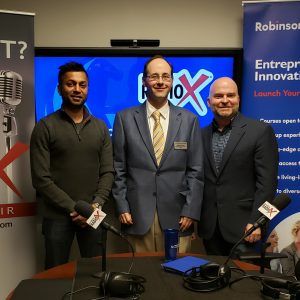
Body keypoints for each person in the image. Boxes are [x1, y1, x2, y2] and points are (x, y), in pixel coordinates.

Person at [112, 55, 203, 253]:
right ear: (144, 81)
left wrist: (190, 210)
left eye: (165, 76)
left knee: (176, 275)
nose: (160, 81)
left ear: (172, 81)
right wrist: (122, 206)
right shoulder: (124, 118)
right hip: (136, 215)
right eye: (154, 76)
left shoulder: (190, 120)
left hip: (178, 216)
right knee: (141, 275)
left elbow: (195, 171)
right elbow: (118, 167)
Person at [30, 62, 114, 269]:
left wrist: (95, 205)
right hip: (57, 216)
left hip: (93, 212)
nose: (77, 89)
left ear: (87, 89)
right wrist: (74, 209)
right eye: (71, 84)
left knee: (95, 272)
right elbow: (41, 179)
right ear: (60, 89)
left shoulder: (101, 127)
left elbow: (108, 171)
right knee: (55, 275)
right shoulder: (45, 127)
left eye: (82, 85)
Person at [198, 77, 278, 256]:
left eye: (230, 95)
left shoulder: (260, 131)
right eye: (218, 96)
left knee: (243, 282)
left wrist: (259, 221)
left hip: (246, 231)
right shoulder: (200, 134)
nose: (225, 100)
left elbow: (269, 186)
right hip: (210, 230)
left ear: (238, 99)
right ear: (209, 102)